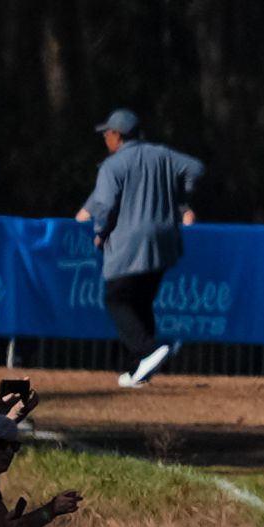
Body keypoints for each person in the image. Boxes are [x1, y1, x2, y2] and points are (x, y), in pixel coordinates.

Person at [72, 109, 204, 385]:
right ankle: (138, 371)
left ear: (117, 135)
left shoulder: (113, 165)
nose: (105, 138)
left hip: (128, 242)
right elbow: (196, 168)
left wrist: (100, 232)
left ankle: (149, 351)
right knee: (141, 300)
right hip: (164, 241)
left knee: (116, 298)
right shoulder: (162, 154)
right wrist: (180, 195)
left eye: (107, 133)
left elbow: (105, 205)